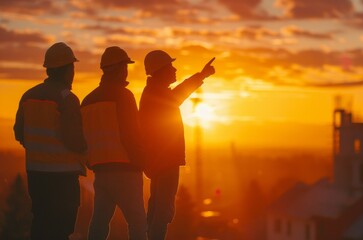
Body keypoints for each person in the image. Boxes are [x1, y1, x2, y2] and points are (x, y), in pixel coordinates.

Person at [13, 42, 87, 240]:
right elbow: (74, 140)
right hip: (62, 178)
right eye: (72, 67)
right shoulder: (67, 99)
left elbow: (19, 133)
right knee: (61, 229)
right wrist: (87, 152)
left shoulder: (28, 96)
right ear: (67, 70)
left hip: (36, 174)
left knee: (41, 225)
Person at [139, 50, 215, 240]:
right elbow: (178, 95)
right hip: (165, 162)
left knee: (158, 208)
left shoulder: (154, 92)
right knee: (162, 211)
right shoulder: (157, 95)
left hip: (160, 161)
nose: (175, 69)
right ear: (160, 71)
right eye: (170, 66)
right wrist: (201, 75)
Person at [81, 46, 147, 240]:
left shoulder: (87, 101)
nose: (127, 70)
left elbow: (84, 139)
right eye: (125, 66)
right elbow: (131, 134)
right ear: (119, 68)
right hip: (126, 170)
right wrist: (141, 163)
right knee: (137, 223)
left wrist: (92, 162)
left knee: (99, 223)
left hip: (101, 173)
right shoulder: (124, 96)